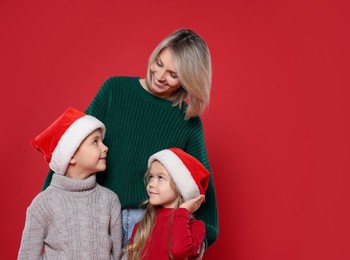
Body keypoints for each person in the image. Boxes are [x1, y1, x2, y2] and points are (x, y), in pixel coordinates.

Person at [42, 28, 218, 255]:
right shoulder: (115, 90)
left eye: (173, 74)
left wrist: (203, 236)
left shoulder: (187, 121)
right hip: (97, 216)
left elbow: (203, 184)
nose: (160, 75)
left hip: (148, 227)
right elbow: (74, 144)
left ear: (188, 80)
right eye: (159, 62)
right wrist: (49, 200)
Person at [18, 107, 122, 260]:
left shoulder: (109, 200)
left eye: (102, 141)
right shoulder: (42, 204)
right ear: (71, 155)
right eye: (95, 142)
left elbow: (118, 254)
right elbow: (28, 256)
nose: (105, 148)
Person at [126, 148, 210, 260]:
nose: (151, 184)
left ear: (180, 187)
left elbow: (179, 252)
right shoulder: (142, 226)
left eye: (160, 177)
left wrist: (182, 211)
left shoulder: (196, 227)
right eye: (151, 177)